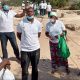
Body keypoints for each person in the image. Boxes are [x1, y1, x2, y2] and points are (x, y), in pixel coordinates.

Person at [17, 7, 42, 80]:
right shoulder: (21, 23)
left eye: (31, 11)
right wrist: (25, 41)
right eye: (28, 12)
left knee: (35, 69)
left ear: (34, 12)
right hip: (24, 50)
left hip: (36, 49)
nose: (30, 13)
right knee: (24, 70)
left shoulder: (38, 23)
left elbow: (39, 34)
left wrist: (32, 41)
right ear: (26, 13)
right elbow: (18, 34)